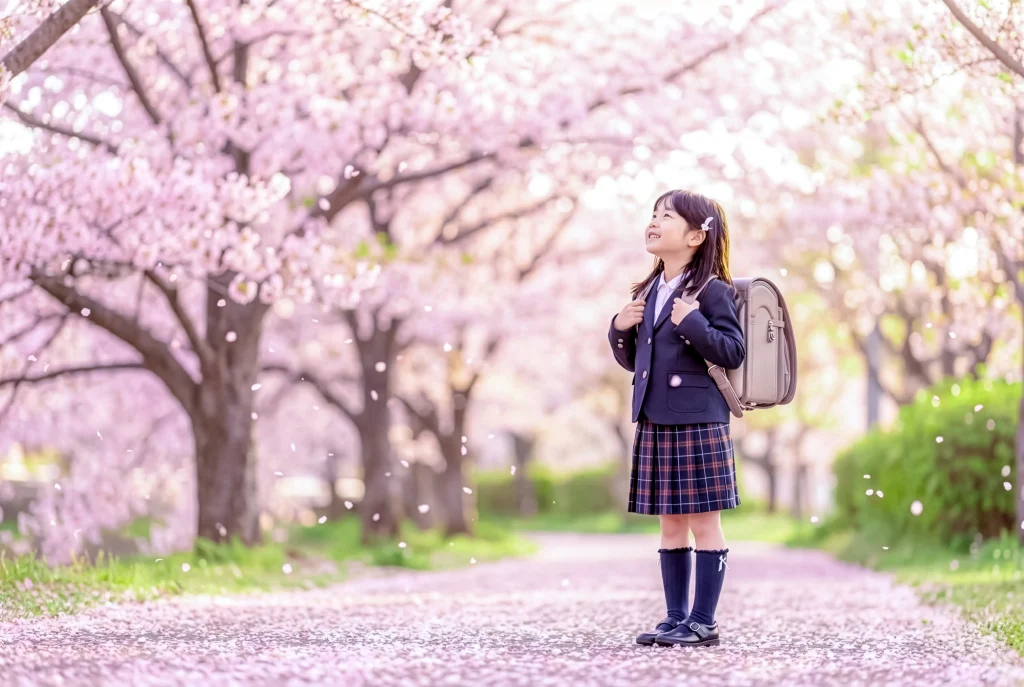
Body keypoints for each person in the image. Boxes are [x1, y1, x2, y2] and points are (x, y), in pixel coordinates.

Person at [608, 189, 745, 648]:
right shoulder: (647, 291)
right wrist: (619, 329)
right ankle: (675, 618)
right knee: (670, 522)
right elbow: (638, 363)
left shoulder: (712, 291)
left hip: (700, 419)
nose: (653, 222)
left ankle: (704, 621)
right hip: (655, 416)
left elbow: (732, 351)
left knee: (704, 521)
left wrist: (694, 323)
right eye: (652, 214)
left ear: (694, 236)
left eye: (665, 216)